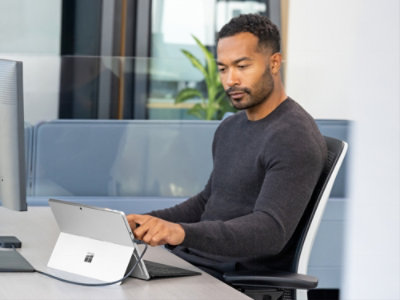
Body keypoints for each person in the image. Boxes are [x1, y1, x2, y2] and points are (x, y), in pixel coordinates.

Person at [127, 14, 327, 279]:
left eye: (242, 66)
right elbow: (207, 202)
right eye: (223, 69)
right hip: (192, 266)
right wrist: (144, 222)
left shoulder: (294, 137)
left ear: (274, 63)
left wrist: (182, 232)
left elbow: (271, 231)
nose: (230, 80)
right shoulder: (230, 128)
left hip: (230, 280)